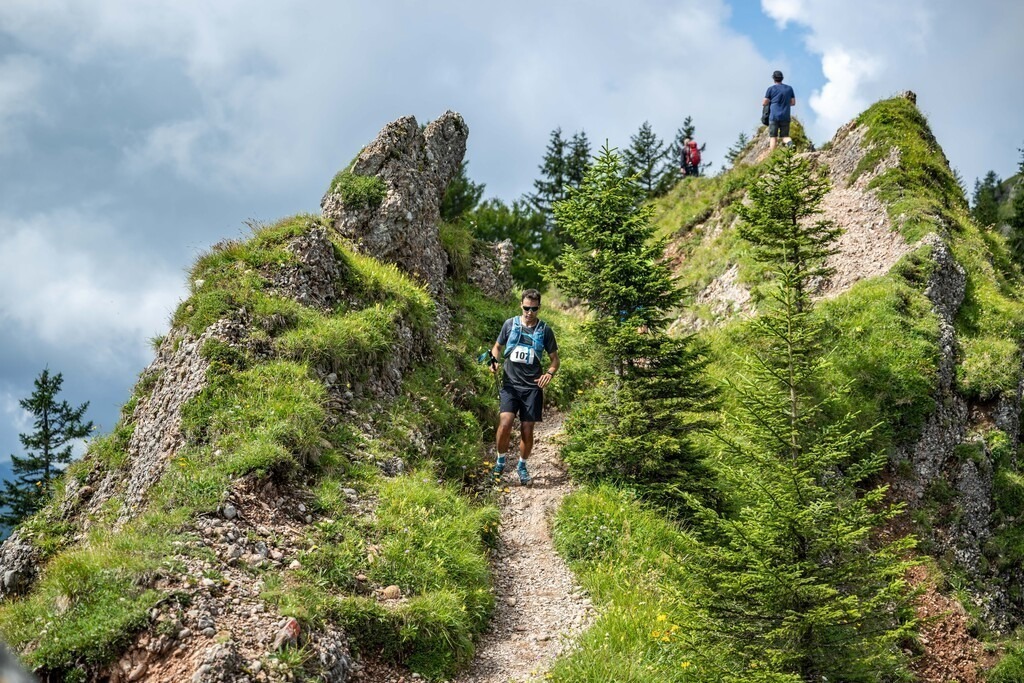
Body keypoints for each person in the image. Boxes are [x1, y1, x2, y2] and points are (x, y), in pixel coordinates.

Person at [489, 289, 560, 486]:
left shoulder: (544, 330)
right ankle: (500, 463)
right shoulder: (510, 324)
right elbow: (497, 347)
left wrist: (549, 374)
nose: (530, 312)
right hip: (510, 384)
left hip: (532, 387)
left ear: (539, 308)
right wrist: (493, 361)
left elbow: (555, 360)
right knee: (505, 423)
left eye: (534, 309)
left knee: (527, 430)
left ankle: (522, 465)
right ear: (521, 305)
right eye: (527, 308)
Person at [763, 70, 796, 152]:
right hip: (785, 115)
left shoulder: (770, 89)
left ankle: (773, 155)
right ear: (782, 78)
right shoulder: (789, 88)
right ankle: (790, 144)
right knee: (785, 136)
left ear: (774, 79)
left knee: (773, 137)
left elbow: (764, 103)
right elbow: (793, 103)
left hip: (774, 116)